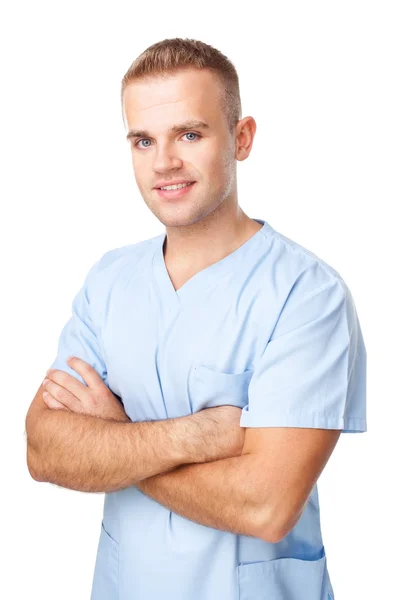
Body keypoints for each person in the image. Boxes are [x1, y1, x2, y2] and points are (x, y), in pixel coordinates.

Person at [25, 37, 367, 600]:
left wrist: (113, 442)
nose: (164, 162)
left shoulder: (307, 295)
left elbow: (266, 504)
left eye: (190, 133)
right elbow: (44, 451)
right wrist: (202, 434)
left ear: (241, 138)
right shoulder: (110, 281)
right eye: (143, 140)